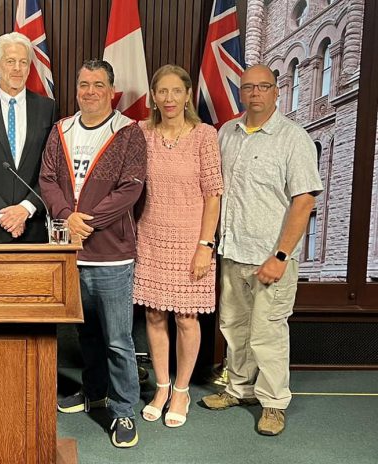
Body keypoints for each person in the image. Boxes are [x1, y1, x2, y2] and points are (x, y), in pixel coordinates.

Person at [201, 64, 323, 436]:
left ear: (276, 91)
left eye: (263, 86)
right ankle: (240, 389)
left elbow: (304, 202)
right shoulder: (227, 133)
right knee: (234, 327)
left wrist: (281, 256)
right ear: (241, 91)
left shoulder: (293, 137)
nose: (255, 93)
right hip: (233, 249)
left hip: (272, 256)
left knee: (267, 332)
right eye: (248, 87)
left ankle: (273, 403)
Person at [40, 59, 147, 449]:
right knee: (85, 333)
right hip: (70, 252)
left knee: (118, 339)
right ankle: (95, 391)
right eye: (84, 84)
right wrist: (67, 216)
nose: (90, 91)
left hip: (112, 255)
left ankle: (124, 411)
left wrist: (88, 221)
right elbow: (47, 178)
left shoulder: (128, 133)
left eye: (98, 85)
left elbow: (131, 187)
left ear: (111, 90)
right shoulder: (61, 130)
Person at [133, 65, 223, 428]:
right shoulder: (142, 132)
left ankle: (182, 390)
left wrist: (205, 244)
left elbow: (213, 196)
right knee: (154, 315)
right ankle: (161, 386)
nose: (168, 99)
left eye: (176, 91)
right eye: (161, 91)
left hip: (191, 241)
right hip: (150, 237)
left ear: (188, 95)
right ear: (154, 96)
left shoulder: (205, 135)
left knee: (186, 318)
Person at [0, 32, 57, 243]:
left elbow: (53, 168)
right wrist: (4, 215)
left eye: (23, 62)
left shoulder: (47, 109)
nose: (17, 68)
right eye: (10, 61)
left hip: (34, 229)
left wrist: (26, 208)